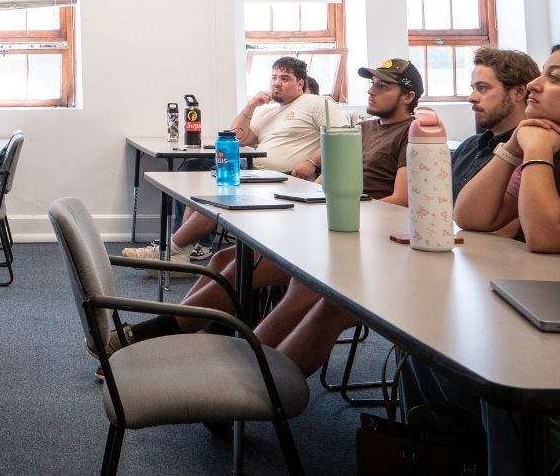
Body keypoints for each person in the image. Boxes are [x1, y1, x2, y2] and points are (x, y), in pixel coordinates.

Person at [100, 58, 420, 377]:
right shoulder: (363, 128)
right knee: (227, 258)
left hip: (362, 235)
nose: (372, 90)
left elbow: (401, 201)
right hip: (326, 222)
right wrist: (311, 200)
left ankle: (215, 368)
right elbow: (330, 179)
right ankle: (207, 343)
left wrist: (337, 203)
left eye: (383, 85)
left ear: (408, 96)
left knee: (255, 272)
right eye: (372, 83)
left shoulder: (410, 133)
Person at [403, 39, 560, 474]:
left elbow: (546, 235)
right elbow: (472, 215)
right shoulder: (555, 155)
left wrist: (534, 152)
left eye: (553, 78)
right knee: (423, 353)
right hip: (553, 308)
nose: (534, 85)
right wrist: (513, 148)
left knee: (510, 390)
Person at [124, 56, 346, 266]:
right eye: (274, 77)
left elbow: (341, 136)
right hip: (254, 173)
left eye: (284, 78)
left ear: (300, 83)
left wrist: (312, 162)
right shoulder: (268, 112)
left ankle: (173, 249)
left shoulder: (316, 103)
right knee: (198, 180)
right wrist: (251, 106)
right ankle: (182, 248)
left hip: (282, 177)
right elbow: (236, 138)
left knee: (218, 192)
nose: (276, 83)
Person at [451, 48, 541, 199]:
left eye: (483, 88)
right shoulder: (468, 147)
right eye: (473, 88)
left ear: (519, 92)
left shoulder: (532, 153)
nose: (472, 97)